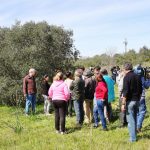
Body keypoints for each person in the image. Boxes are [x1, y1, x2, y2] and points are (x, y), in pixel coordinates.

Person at [122, 62, 142, 142]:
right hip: (137, 100)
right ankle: (134, 136)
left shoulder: (126, 77)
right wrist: (138, 99)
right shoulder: (137, 76)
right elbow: (141, 89)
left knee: (130, 121)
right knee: (135, 119)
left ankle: (132, 139)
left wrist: (123, 104)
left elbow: (125, 91)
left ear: (125, 69)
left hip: (130, 101)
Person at [134, 65, 150, 132]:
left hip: (134, 98)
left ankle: (136, 126)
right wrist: (149, 79)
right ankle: (138, 126)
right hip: (141, 97)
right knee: (142, 111)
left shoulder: (132, 77)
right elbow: (147, 86)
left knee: (137, 112)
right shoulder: (142, 78)